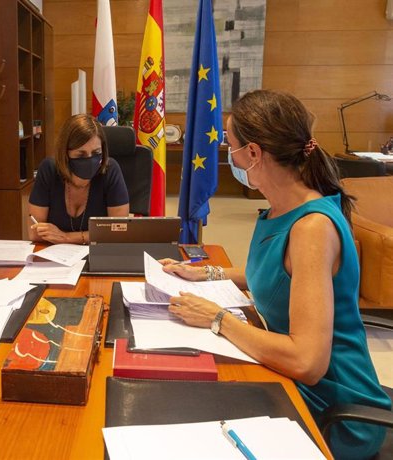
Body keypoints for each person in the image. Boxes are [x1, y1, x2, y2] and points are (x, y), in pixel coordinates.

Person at [161, 90, 391, 459]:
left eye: (230, 143)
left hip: (333, 408)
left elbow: (306, 362)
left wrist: (217, 318)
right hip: (291, 379)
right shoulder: (281, 210)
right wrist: (207, 274)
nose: (228, 153)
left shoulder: (311, 227)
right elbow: (274, 277)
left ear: (253, 153)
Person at [28, 114, 129, 244]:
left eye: (96, 153)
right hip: (55, 256)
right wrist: (93, 235)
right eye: (81, 154)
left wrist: (66, 237)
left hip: (98, 253)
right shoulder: (49, 170)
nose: (90, 159)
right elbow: (34, 233)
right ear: (65, 153)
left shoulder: (110, 170)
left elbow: (119, 232)